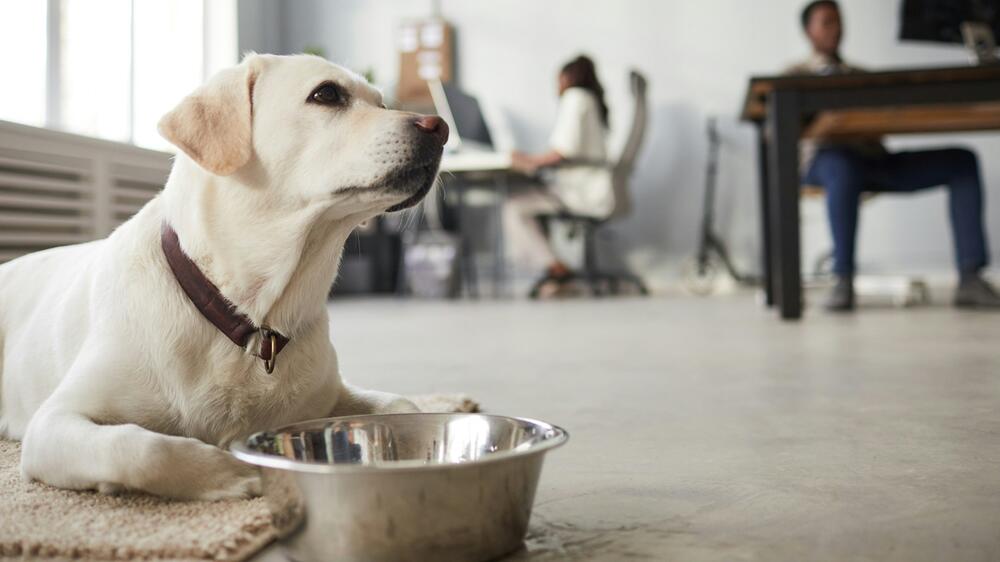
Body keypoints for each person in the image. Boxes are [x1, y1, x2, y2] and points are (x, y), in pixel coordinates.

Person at [790, 0, 1000, 311]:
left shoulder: (862, 76)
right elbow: (776, 132)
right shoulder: (793, 76)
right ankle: (842, 279)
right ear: (809, 31)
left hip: (873, 161)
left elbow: (885, 122)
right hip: (825, 164)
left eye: (839, 21)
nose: (836, 29)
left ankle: (971, 277)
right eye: (827, 22)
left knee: (961, 161)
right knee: (842, 165)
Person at [504, 55, 613, 295]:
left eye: (558, 80)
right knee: (530, 203)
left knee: (514, 207)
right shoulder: (592, 100)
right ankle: (555, 270)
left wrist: (526, 160)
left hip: (581, 191)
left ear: (567, 78)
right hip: (591, 187)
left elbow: (563, 151)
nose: (557, 87)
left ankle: (555, 267)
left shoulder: (575, 97)